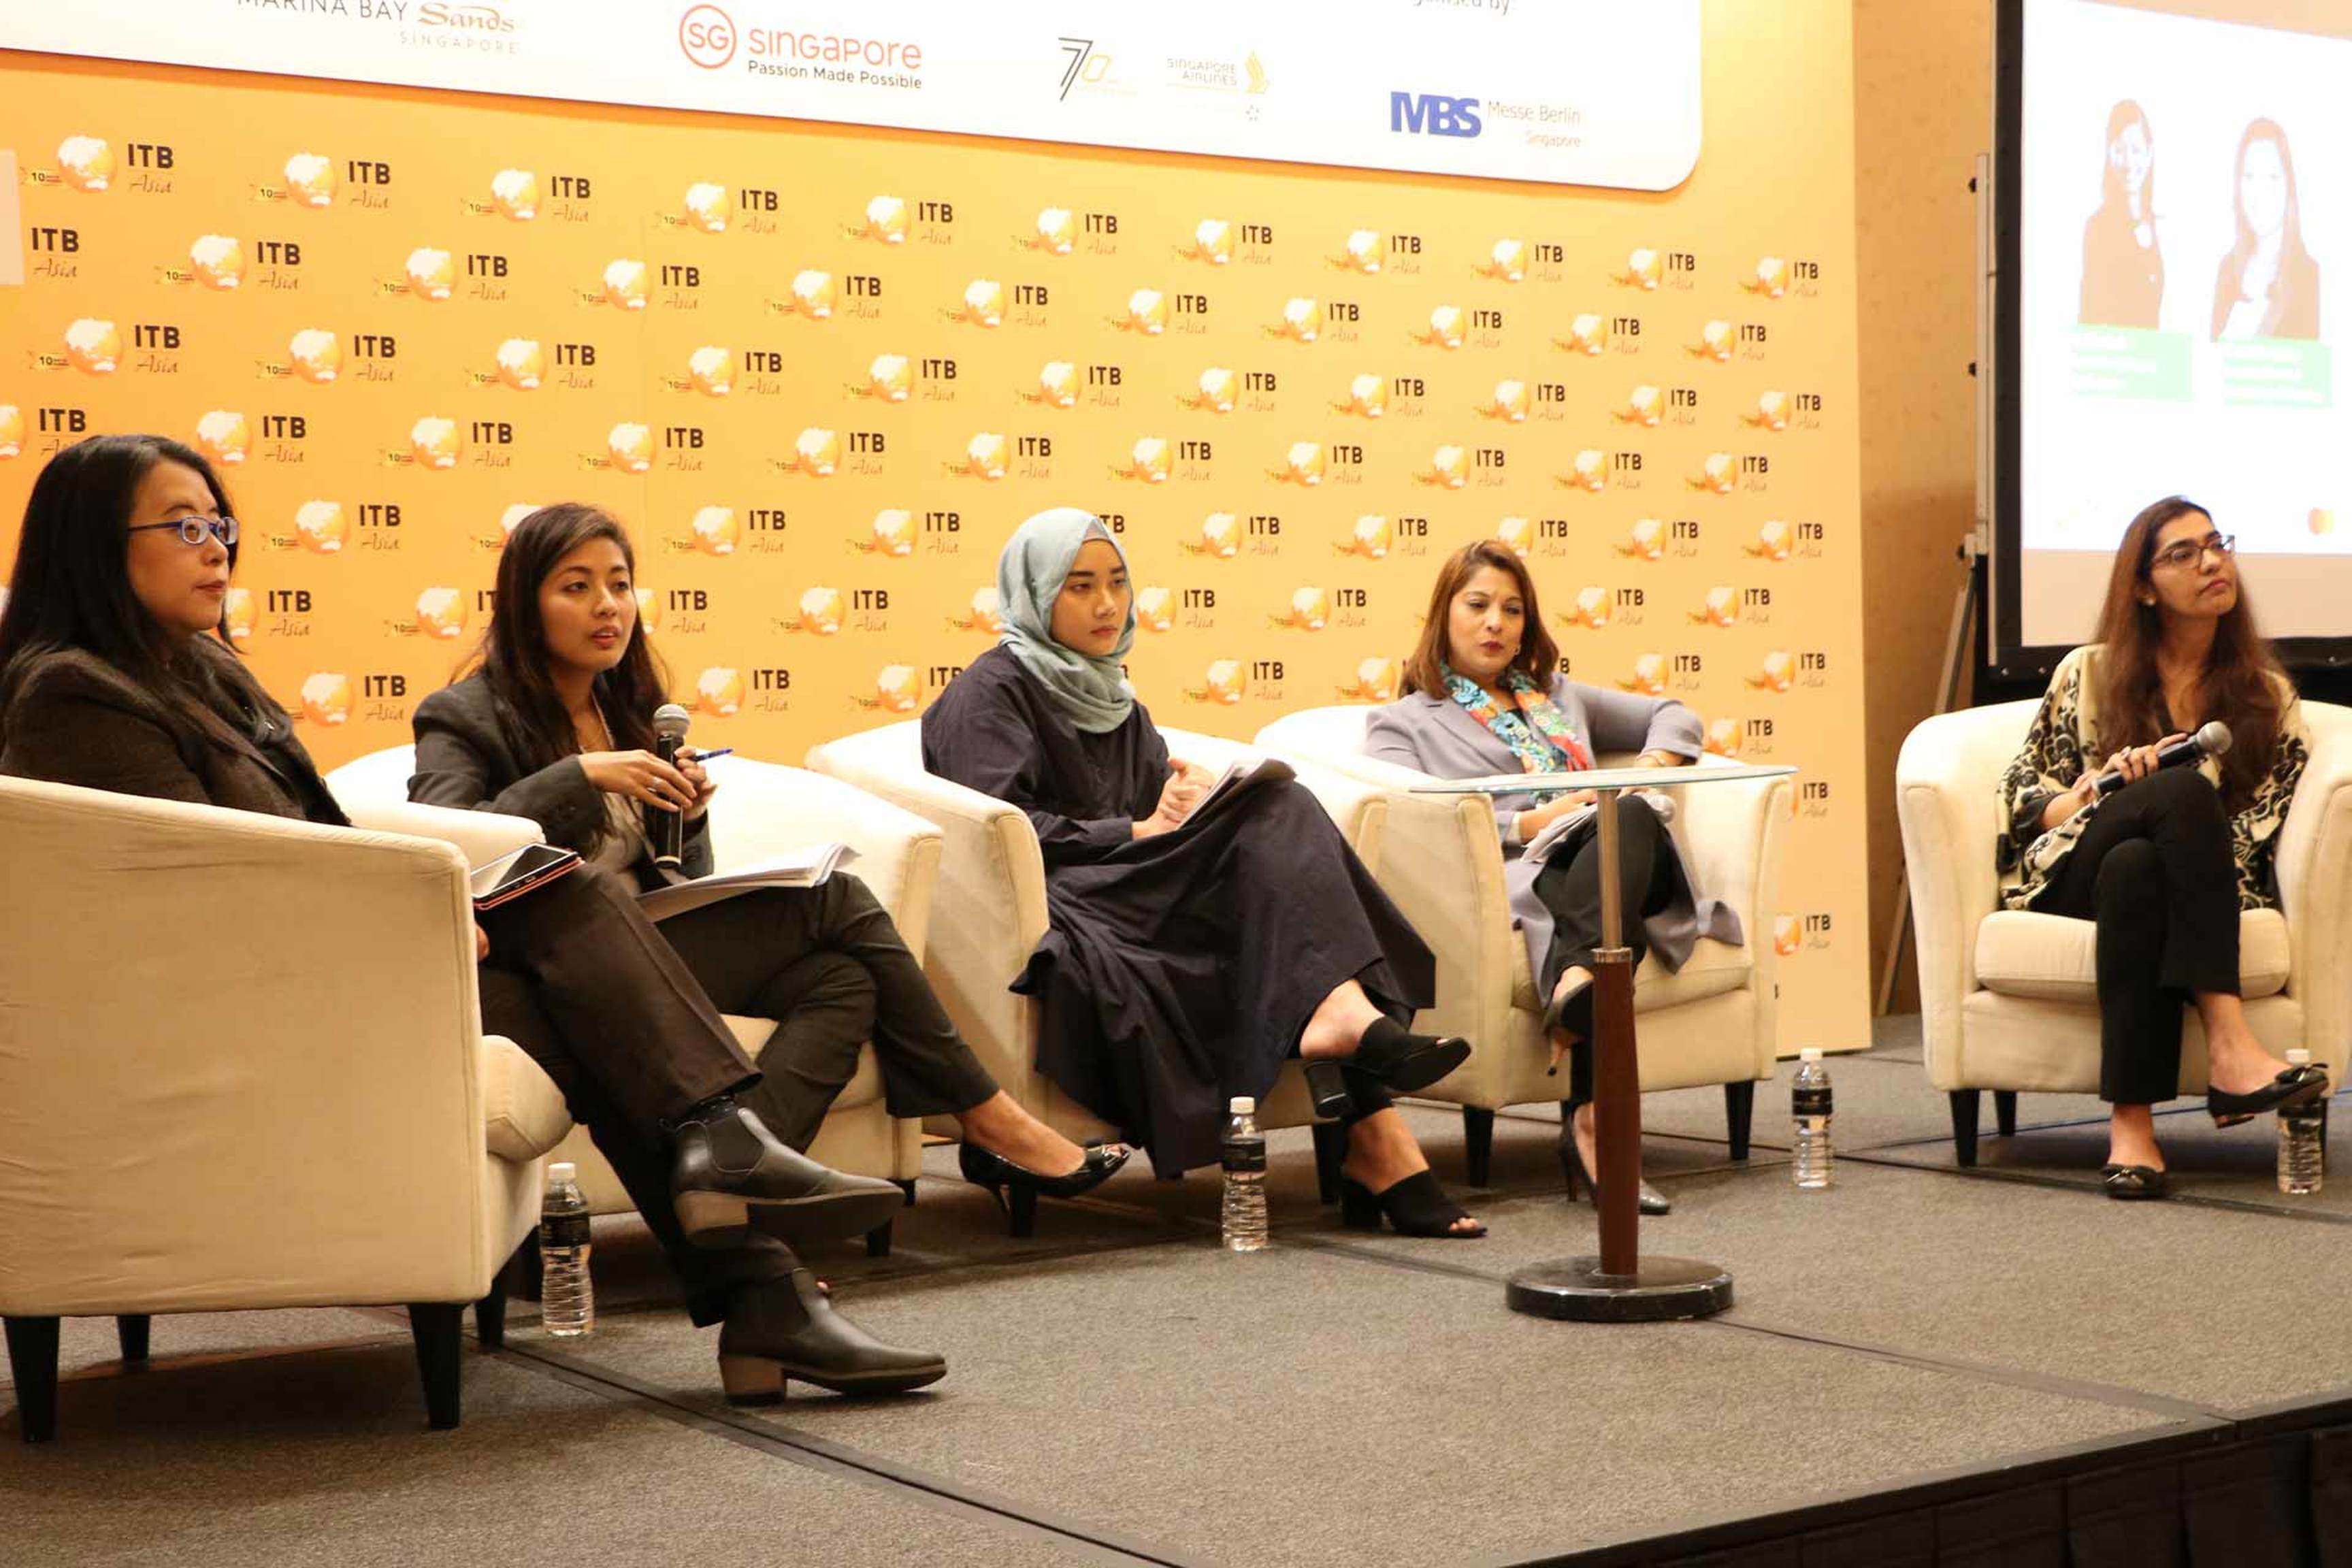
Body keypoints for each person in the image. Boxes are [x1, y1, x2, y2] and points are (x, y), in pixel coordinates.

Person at [0, 434, 945, 1405]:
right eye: (183, 527)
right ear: (93, 545)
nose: (216, 550)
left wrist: (433, 907)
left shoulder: (204, 670)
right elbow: (199, 893)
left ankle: (758, 1278)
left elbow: (312, 841)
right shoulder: (74, 695)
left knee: (572, 946)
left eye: (221, 525)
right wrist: (409, 919)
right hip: (234, 1004)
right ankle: (734, 1184)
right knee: (578, 918)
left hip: (319, 960)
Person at [408, 503, 1130, 1239]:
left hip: (649, 939)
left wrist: (687, 820)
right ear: (524, 604)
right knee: (837, 902)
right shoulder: (464, 715)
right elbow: (444, 835)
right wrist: (580, 776)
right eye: (577, 587)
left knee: (842, 980)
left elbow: (676, 878)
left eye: (620, 585)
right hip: (555, 963)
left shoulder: (631, 712)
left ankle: (733, 1183)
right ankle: (989, 1117)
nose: (608, 606)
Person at [921, 506, 1486, 1238]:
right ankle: (1371, 1110)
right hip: (1073, 897)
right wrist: (1134, 829)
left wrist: (1183, 801)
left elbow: (1152, 804)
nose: (1107, 605)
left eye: (1118, 583)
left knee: (1277, 809)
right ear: (1033, 594)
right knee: (1279, 839)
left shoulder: (1112, 695)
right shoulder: (989, 693)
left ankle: (1351, 1043)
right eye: (1080, 587)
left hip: (1138, 882)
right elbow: (1001, 832)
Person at [1364, 540, 1742, 1216]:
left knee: (1627, 815)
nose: (1495, 623)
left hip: (1620, 851)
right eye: (1478, 605)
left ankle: (1573, 979)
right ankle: (1593, 1124)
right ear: (1443, 615)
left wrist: (1648, 769)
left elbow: (1674, 714)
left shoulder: (1559, 696)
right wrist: (1537, 821)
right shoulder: (1402, 724)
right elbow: (1416, 819)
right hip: (1530, 873)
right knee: (1604, 902)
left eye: (1512, 610)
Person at [1997, 496, 2328, 1198]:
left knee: (2139, 866)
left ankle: (2132, 1130)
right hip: (2070, 874)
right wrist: (2103, 792)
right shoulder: (2087, 673)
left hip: (2188, 885)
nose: (2211, 562)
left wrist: (2172, 818)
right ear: (2144, 587)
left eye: (2217, 544)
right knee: (2169, 798)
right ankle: (2231, 1047)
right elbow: (2024, 803)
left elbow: (2261, 828)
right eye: (2183, 553)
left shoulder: (2266, 698)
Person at [2210, 118, 2320, 341]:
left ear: (2289, 186)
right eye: (2249, 177)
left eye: (2272, 177)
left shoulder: (2310, 276)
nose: (2259, 193)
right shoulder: (2228, 271)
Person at [2079, 99, 2163, 329]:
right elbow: (2090, 316)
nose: (2128, 163)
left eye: (2136, 150)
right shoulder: (2098, 228)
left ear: (2150, 153)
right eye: (2119, 150)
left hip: (2157, 352)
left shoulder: (2160, 227)